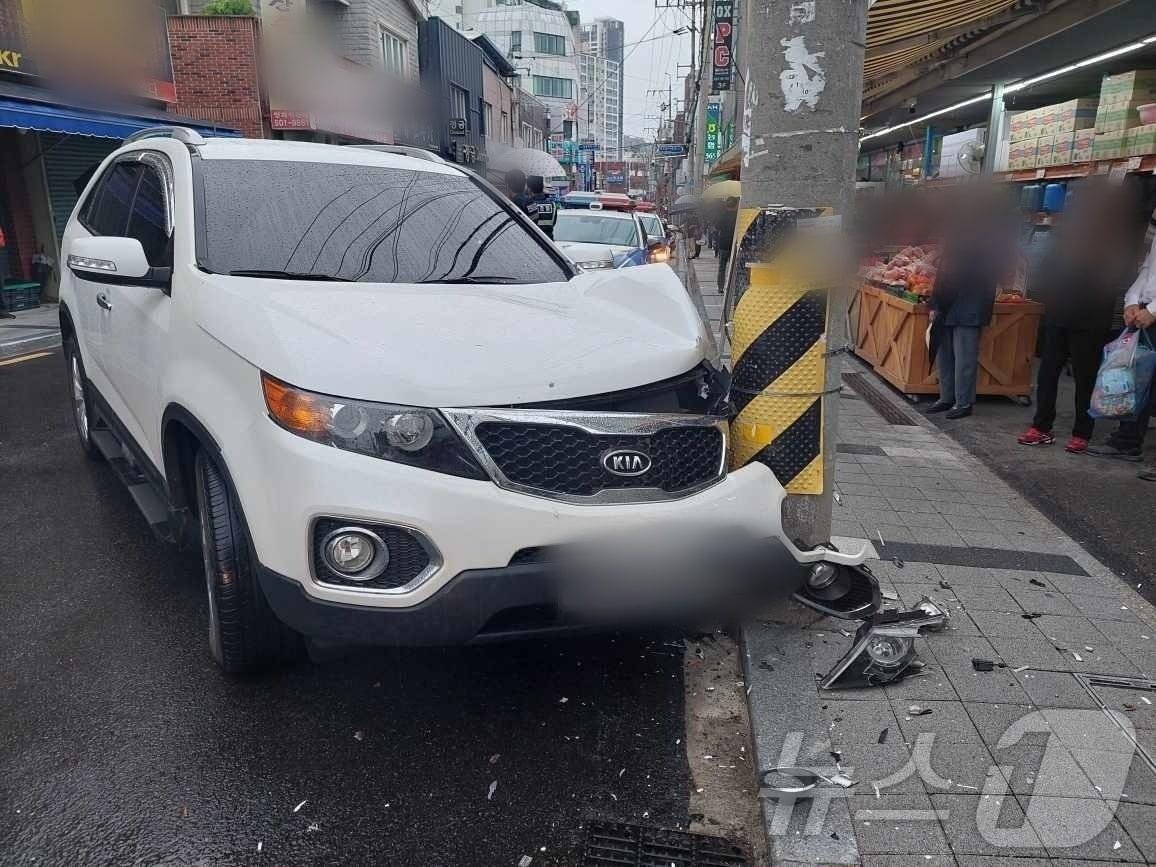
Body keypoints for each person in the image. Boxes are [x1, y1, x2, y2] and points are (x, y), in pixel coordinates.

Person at [1017, 182, 1135, 453]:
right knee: (1047, 374)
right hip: (1057, 315)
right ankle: (1041, 426)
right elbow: (1047, 270)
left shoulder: (1114, 243)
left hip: (1090, 320)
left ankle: (1082, 432)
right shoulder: (1064, 238)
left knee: (1085, 377)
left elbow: (1118, 280)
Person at [926, 188, 1017, 420]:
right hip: (947, 300)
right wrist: (935, 303)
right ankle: (946, 397)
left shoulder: (993, 239)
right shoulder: (954, 235)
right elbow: (943, 271)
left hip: (970, 302)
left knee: (965, 355)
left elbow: (997, 271)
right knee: (944, 352)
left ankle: (963, 402)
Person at [1089, 201, 1156, 466]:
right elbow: (1147, 271)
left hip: (1152, 313)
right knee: (1136, 378)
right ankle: (1127, 440)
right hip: (1144, 315)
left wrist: (1153, 309)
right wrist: (1131, 301)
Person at [715, 197, 739, 293]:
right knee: (735, 267)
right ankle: (735, 288)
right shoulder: (738, 216)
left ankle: (721, 287)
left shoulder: (723, 215)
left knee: (722, 267)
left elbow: (717, 227)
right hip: (734, 244)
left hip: (723, 244)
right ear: (736, 205)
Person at [523, 175, 557, 239]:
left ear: (529, 189)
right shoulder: (553, 205)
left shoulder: (528, 205)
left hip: (533, 240)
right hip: (549, 242)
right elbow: (553, 223)